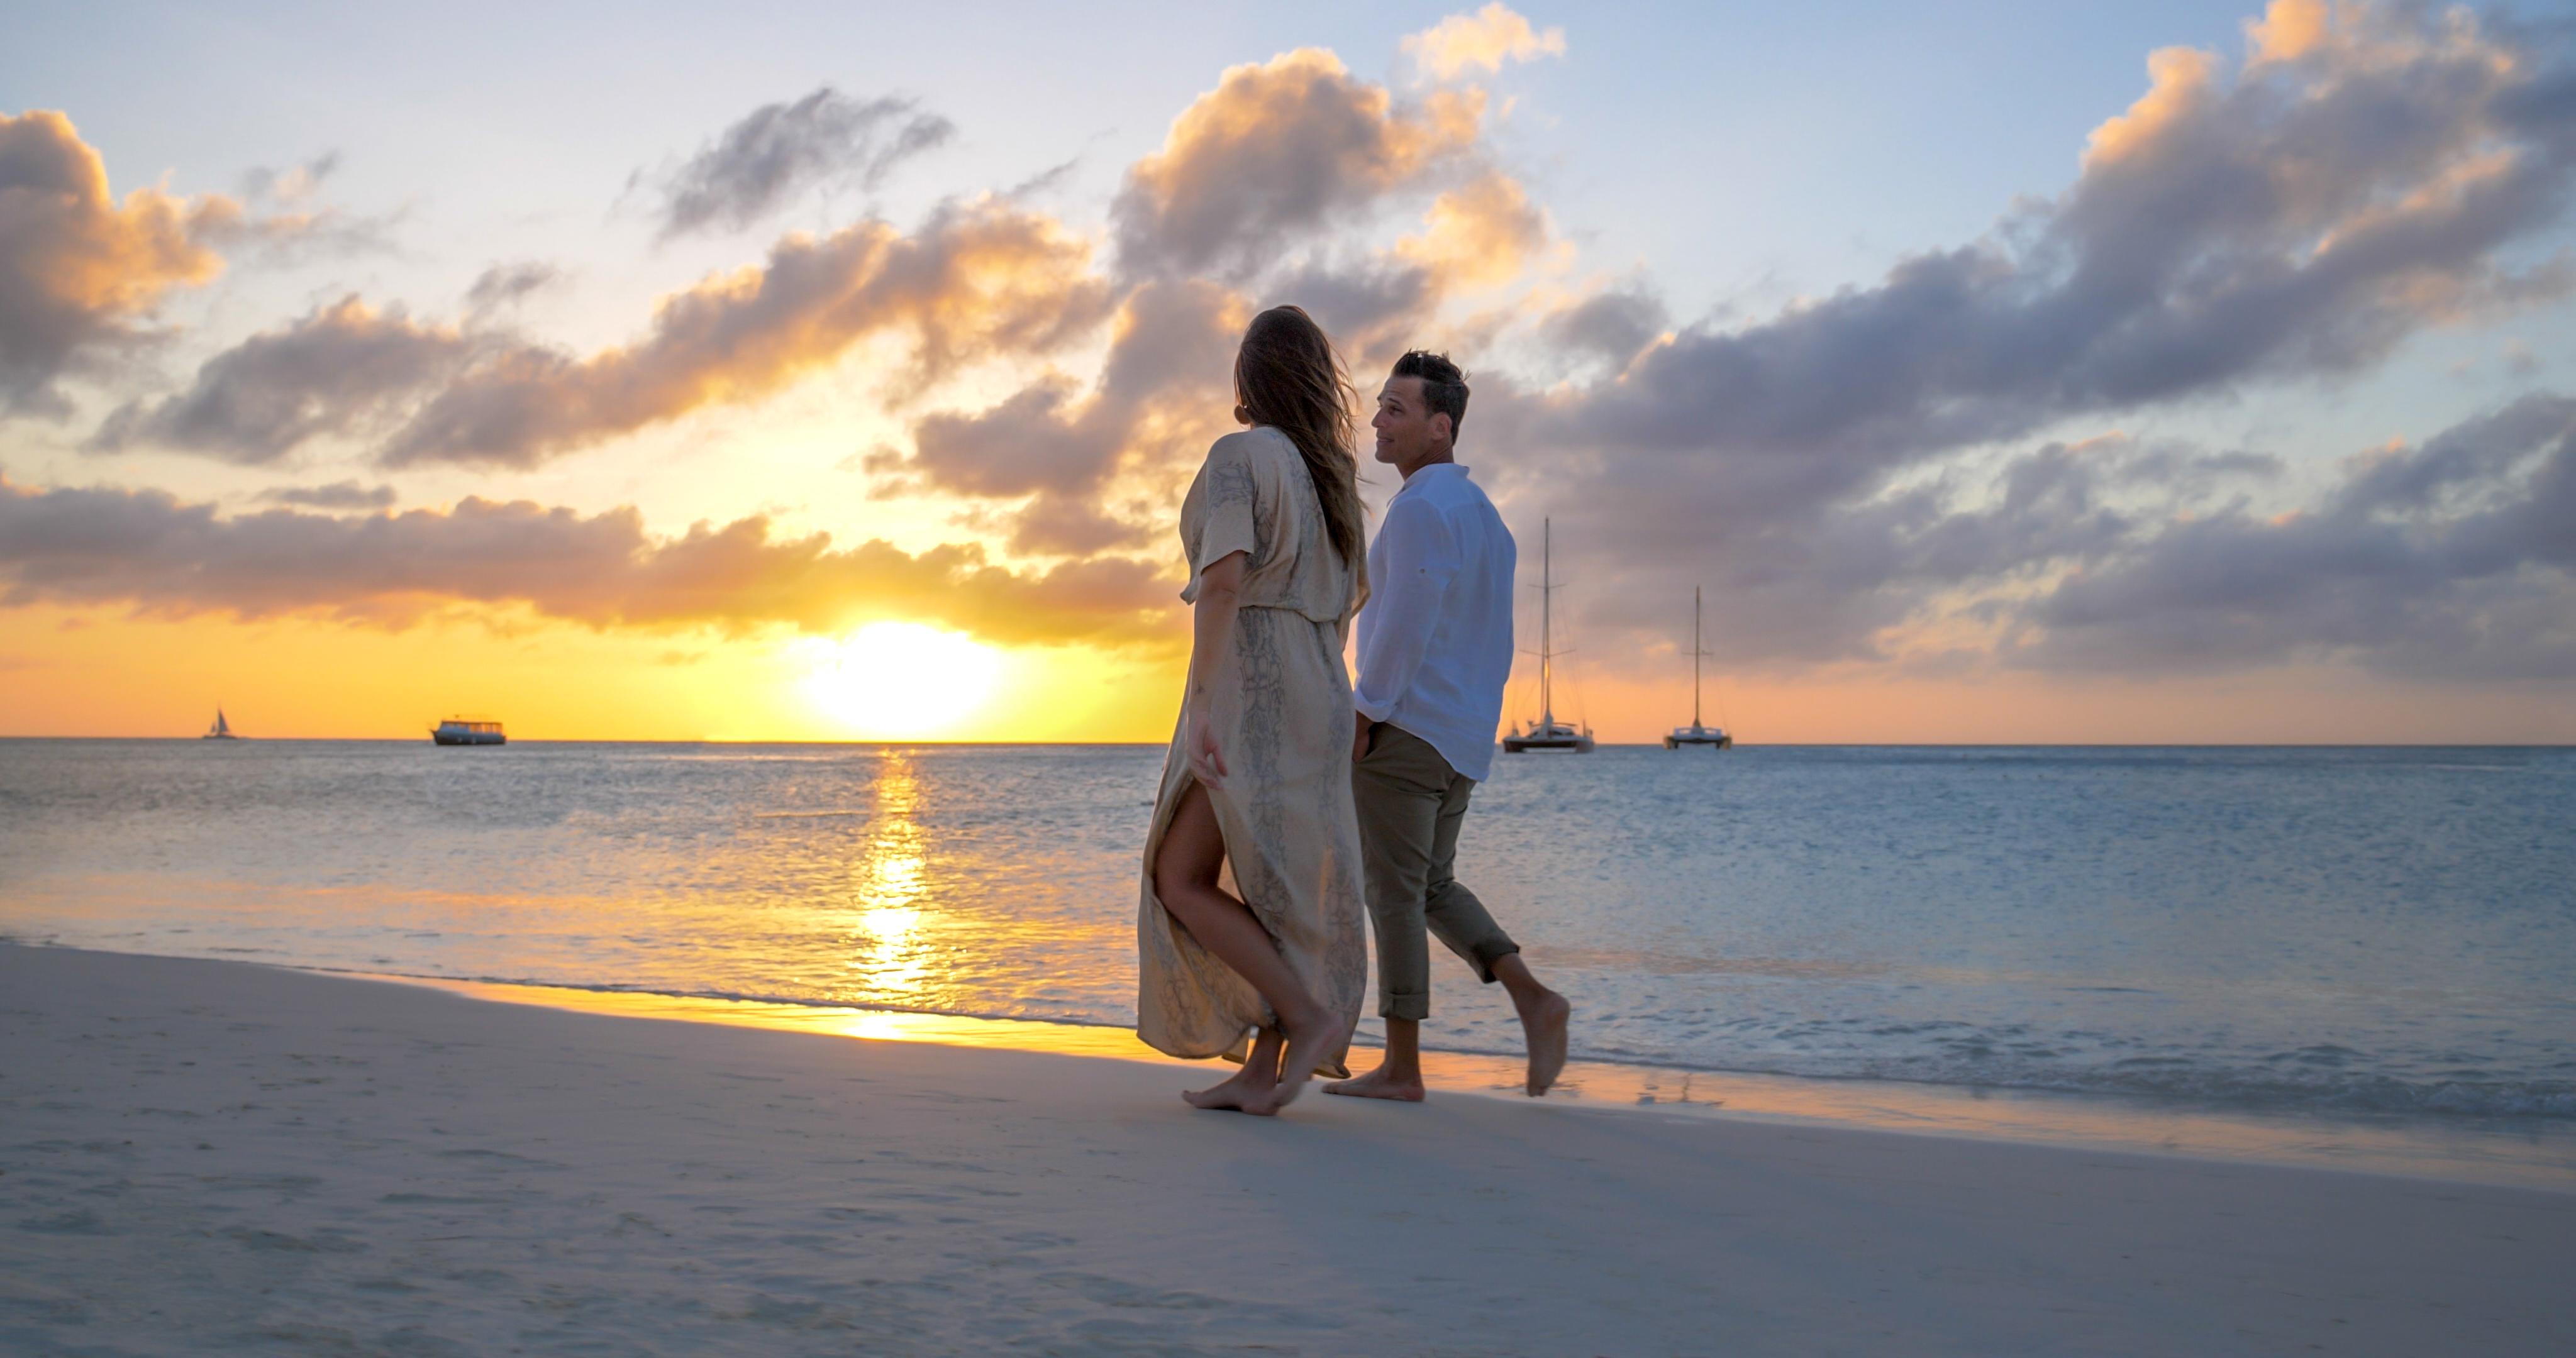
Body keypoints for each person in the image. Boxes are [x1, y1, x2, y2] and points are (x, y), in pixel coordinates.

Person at [1136, 305, 1372, 1116]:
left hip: (1254, 688)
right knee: (1278, 886)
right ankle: (1262, 1070)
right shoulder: (1332, 484)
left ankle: (1306, 1018)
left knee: (1180, 875)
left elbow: (1225, 579)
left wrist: (1204, 701)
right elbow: (1345, 610)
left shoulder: (1240, 456)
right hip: (1321, 689)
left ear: (1249, 383)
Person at [1326, 350, 1572, 1102]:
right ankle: (1533, 997)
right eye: (1379, 407)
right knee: (1430, 885)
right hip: (1459, 734)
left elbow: (1405, 621)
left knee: (1393, 891)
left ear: (1441, 427)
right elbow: (1492, 639)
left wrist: (1366, 712)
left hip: (1408, 727)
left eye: (1396, 409)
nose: (1378, 420)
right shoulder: (1486, 520)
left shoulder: (1423, 509)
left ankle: (1402, 1068)